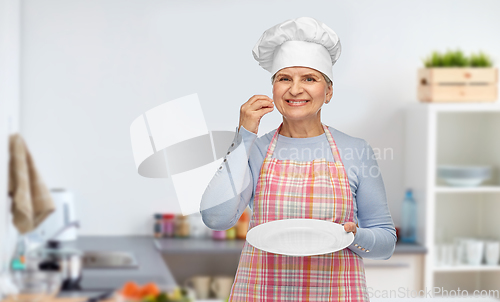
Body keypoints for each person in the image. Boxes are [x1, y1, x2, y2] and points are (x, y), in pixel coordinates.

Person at [200, 17, 396, 301]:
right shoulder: (255, 149)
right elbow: (215, 218)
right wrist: (244, 136)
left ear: (328, 92)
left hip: (335, 293)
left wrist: (355, 236)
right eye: (284, 78)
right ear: (274, 90)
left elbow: (386, 243)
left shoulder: (356, 150)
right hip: (261, 292)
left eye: (309, 78)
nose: (294, 89)